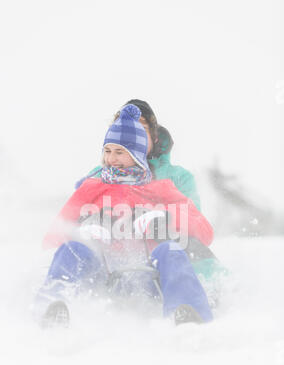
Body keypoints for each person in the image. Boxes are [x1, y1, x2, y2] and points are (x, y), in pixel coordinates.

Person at [34, 104, 215, 327]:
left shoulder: (160, 189)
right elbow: (53, 238)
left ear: (138, 155)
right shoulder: (91, 188)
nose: (112, 159)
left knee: (172, 251)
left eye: (120, 152)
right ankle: (51, 311)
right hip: (101, 276)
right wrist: (83, 231)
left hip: (150, 278)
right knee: (72, 250)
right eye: (108, 151)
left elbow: (204, 230)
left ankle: (190, 318)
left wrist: (165, 218)